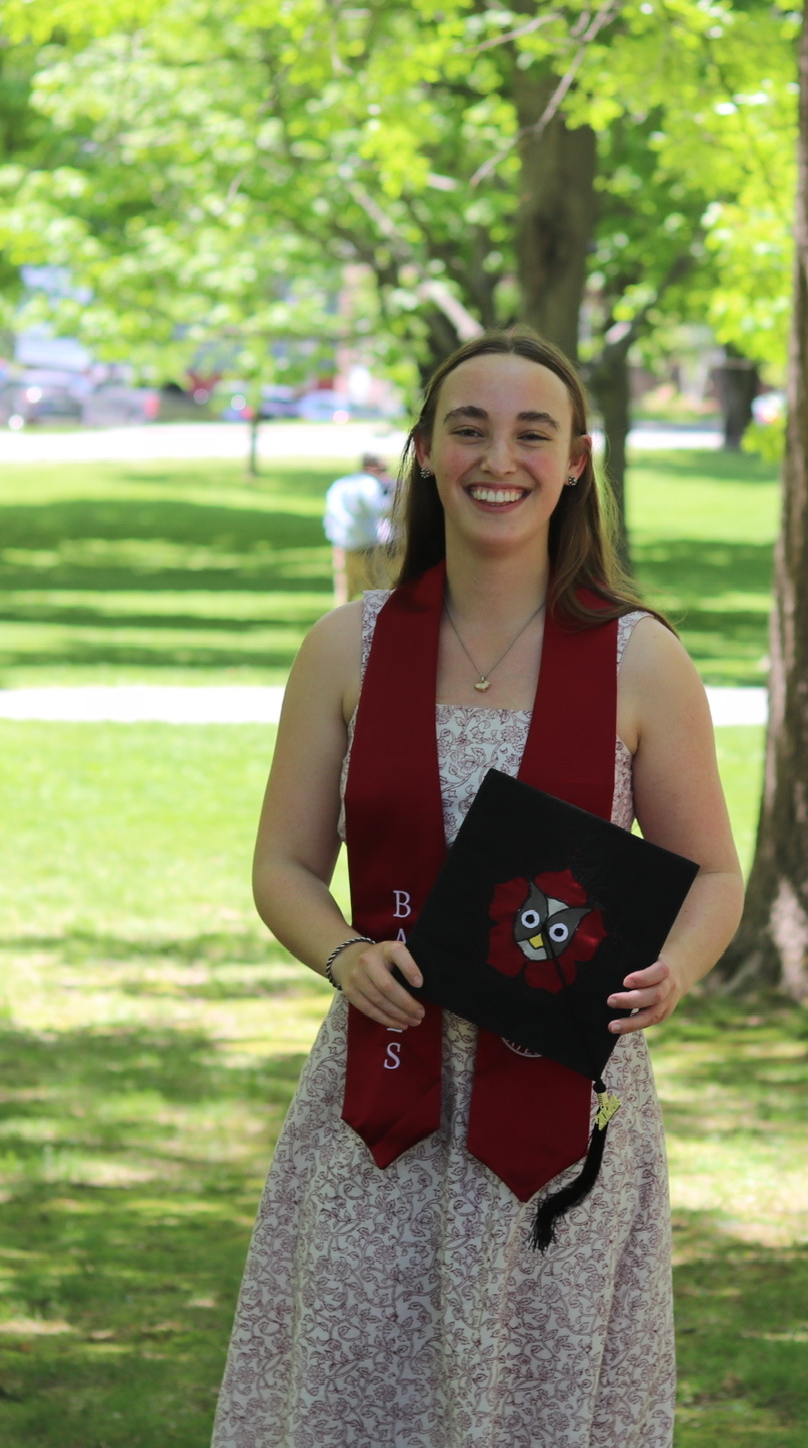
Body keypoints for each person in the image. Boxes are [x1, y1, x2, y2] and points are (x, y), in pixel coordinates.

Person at [215, 330, 744, 1447]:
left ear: (575, 463)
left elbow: (713, 873)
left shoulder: (638, 659)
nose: (497, 458)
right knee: (357, 1403)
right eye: (467, 428)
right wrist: (344, 953)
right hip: (381, 1106)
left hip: (562, 1120)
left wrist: (677, 970)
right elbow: (284, 866)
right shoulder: (346, 649)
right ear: (421, 452)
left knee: (538, 1410)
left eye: (530, 433)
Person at [323, 450, 396, 604]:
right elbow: (382, 509)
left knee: (345, 590)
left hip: (342, 543)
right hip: (366, 546)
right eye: (382, 470)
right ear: (371, 468)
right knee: (375, 591)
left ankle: (342, 624)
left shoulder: (341, 483)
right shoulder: (368, 484)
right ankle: (374, 625)